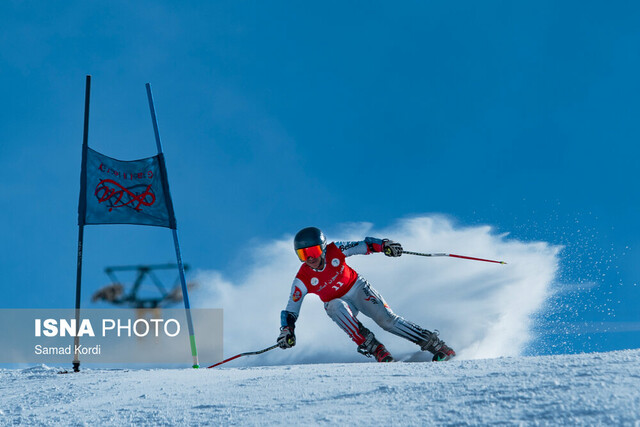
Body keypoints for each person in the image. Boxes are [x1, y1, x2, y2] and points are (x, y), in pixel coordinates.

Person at [276, 226, 456, 362]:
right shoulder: (302, 278)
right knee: (332, 306)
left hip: (356, 288)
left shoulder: (335, 250)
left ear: (322, 248)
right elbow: (291, 310)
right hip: (337, 301)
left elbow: (365, 245)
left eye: (313, 251)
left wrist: (385, 245)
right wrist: (287, 331)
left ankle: (436, 345)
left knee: (387, 320)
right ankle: (375, 348)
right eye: (303, 254)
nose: (310, 258)